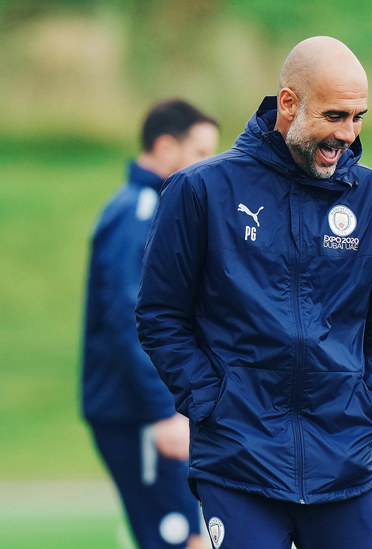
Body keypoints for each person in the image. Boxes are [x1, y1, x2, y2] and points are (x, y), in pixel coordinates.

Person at [135, 36, 372, 549]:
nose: (348, 134)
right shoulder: (200, 191)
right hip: (237, 460)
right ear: (288, 103)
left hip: (346, 462)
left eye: (358, 117)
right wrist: (210, 400)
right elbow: (160, 315)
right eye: (335, 116)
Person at [82, 98, 219, 549]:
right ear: (164, 149)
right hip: (139, 415)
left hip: (151, 411)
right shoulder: (138, 213)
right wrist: (163, 411)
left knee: (191, 537)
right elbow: (132, 321)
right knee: (180, 541)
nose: (210, 166)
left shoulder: (157, 210)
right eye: (201, 153)